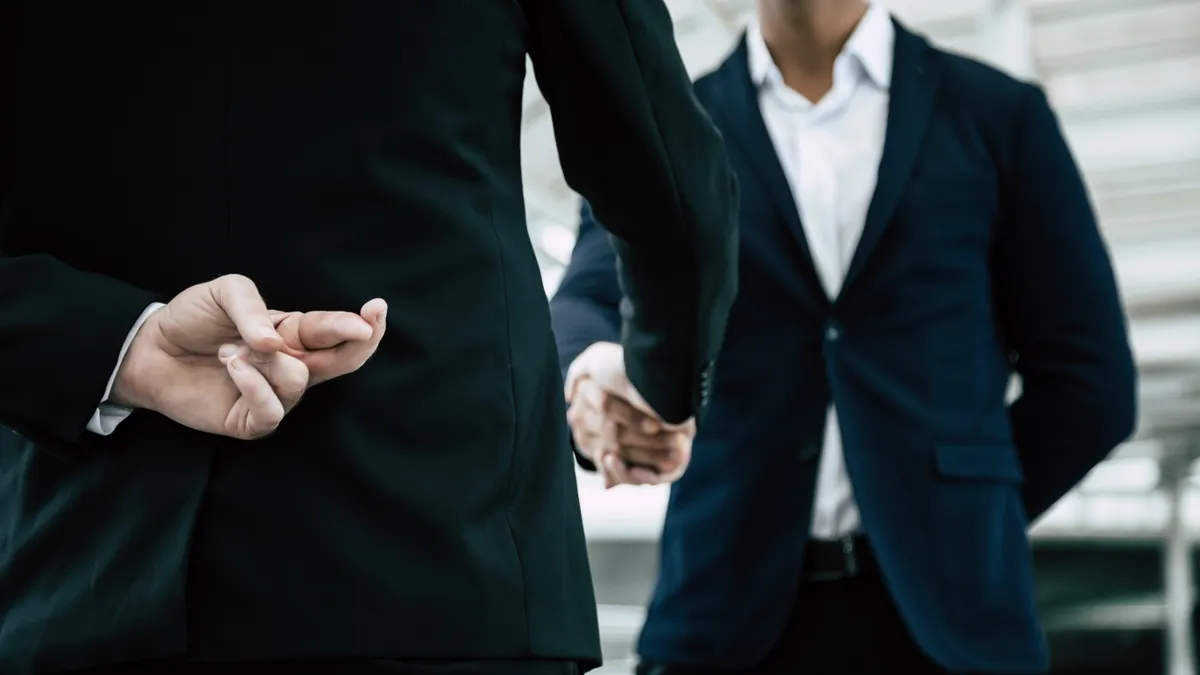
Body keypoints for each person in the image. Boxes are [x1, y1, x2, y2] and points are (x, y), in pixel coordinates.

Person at [0, 3, 739, 674]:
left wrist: (122, 346)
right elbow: (669, 178)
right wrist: (659, 382)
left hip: (80, 581)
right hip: (442, 572)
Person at [551, 0, 1138, 673]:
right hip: (723, 613)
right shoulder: (673, 122)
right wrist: (591, 378)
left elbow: (1092, 386)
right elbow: (584, 302)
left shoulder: (999, 116)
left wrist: (963, 511)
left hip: (950, 626)